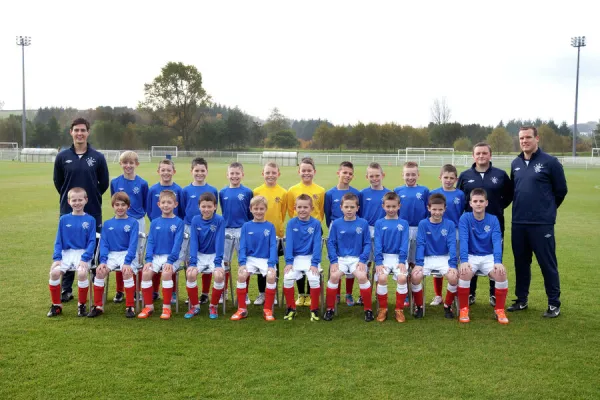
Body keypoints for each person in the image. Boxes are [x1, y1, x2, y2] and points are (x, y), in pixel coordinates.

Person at [508, 126, 567, 318]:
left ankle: (553, 303)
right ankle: (521, 299)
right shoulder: (515, 163)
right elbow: (514, 191)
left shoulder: (550, 162)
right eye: (521, 138)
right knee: (521, 263)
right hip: (518, 222)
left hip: (541, 224)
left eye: (528, 137)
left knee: (547, 263)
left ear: (537, 139)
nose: (524, 141)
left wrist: (546, 209)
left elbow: (561, 191)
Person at [53, 117, 109, 303]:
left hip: (92, 209)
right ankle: (66, 289)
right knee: (69, 245)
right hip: (68, 210)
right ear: (71, 132)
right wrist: (73, 200)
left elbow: (104, 183)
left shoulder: (98, 157)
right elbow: (58, 183)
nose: (79, 133)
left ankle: (94, 284)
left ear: (88, 132)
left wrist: (89, 197)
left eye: (83, 130)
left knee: (94, 247)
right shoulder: (62, 157)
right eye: (76, 130)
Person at [457, 142, 513, 306]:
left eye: (484, 153)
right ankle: (470, 293)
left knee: (495, 254)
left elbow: (509, 195)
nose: (481, 156)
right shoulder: (466, 175)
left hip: (494, 223)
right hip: (471, 224)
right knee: (471, 253)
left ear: (490, 155)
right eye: (478, 153)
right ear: (473, 156)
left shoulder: (500, 174)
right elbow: (460, 197)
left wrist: (497, 208)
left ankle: (494, 294)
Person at [457, 189, 509, 324]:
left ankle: (499, 310)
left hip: (488, 256)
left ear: (486, 203)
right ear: (470, 203)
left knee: (501, 274)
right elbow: (463, 240)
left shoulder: (493, 219)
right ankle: (463, 309)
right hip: (470, 255)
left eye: (481, 201)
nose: (478, 204)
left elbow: (497, 241)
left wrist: (498, 261)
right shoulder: (465, 218)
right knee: (464, 272)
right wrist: (464, 260)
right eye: (475, 201)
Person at [47, 187, 97, 317]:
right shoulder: (64, 219)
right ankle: (56, 305)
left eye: (80, 200)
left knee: (81, 274)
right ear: (69, 201)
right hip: (66, 253)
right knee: (54, 273)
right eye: (74, 200)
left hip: (83, 253)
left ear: (86, 200)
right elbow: (58, 240)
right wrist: (57, 258)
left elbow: (92, 242)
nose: (77, 203)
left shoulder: (90, 220)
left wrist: (85, 258)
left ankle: (81, 305)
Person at [89, 192, 140, 318]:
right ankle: (98, 306)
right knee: (100, 272)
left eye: (123, 205)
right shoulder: (107, 224)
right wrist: (103, 261)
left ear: (128, 206)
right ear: (113, 206)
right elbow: (104, 244)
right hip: (111, 255)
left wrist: (127, 261)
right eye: (117, 205)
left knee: (127, 272)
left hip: (128, 255)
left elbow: (133, 245)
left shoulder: (133, 223)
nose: (120, 207)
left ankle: (130, 306)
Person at [323, 193, 373, 322]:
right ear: (341, 207)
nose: (349, 209)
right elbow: (331, 243)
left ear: (357, 208)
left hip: (357, 259)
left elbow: (367, 243)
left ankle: (368, 309)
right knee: (334, 276)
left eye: (352, 207)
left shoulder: (363, 223)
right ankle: (330, 309)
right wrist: (333, 261)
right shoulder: (336, 224)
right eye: (346, 207)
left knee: (362, 276)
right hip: (341, 259)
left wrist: (363, 260)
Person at [137, 190, 184, 320]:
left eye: (169, 202)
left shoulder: (179, 222)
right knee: (146, 273)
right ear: (158, 204)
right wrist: (148, 259)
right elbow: (151, 241)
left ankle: (166, 307)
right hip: (156, 257)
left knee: (166, 273)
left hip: (171, 257)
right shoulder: (155, 222)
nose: (166, 205)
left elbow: (177, 244)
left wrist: (170, 261)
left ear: (175, 204)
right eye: (163, 202)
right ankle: (148, 306)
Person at [410, 193, 458, 319]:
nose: (437, 212)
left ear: (445, 209)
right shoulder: (423, 224)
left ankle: (447, 305)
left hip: (444, 258)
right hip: (426, 258)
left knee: (453, 278)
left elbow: (452, 245)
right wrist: (419, 263)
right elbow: (420, 244)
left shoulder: (450, 224)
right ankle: (419, 306)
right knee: (415, 277)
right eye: (434, 209)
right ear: (429, 208)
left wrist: (453, 264)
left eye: (440, 209)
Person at [230, 196, 278, 321]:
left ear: (266, 209)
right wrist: (242, 263)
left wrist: (272, 264)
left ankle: (267, 309)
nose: (258, 211)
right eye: (255, 209)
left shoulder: (270, 226)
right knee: (241, 275)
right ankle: (242, 309)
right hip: (250, 259)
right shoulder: (246, 226)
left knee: (271, 276)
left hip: (266, 259)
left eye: (261, 209)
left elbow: (273, 246)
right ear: (250, 209)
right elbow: (243, 246)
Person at [109, 150, 148, 304]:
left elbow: (145, 203)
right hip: (119, 222)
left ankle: (136, 290)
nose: (128, 165)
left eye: (131, 163)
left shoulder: (143, 183)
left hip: (137, 221)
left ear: (136, 164)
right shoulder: (115, 182)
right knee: (120, 253)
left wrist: (137, 215)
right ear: (121, 164)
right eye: (125, 162)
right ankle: (120, 291)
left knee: (137, 256)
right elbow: (114, 201)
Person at [287, 157, 325, 308]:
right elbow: (291, 209)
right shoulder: (292, 190)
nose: (306, 173)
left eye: (309, 170)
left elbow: (321, 210)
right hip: (297, 229)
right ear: (299, 171)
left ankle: (309, 294)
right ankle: (301, 293)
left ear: (314, 172)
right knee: (298, 258)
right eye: (303, 170)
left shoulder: (320, 190)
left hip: (314, 228)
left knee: (311, 260)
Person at [146, 159, 185, 302]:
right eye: (163, 170)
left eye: (169, 170)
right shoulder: (153, 190)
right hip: (157, 228)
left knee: (170, 260)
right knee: (156, 257)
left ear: (173, 172)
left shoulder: (179, 190)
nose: (166, 172)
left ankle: (172, 292)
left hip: (173, 228)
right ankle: (154, 291)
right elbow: (149, 210)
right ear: (158, 172)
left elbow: (181, 211)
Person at [181, 157, 219, 306]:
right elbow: (182, 210)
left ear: (207, 172)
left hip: (207, 228)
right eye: (196, 170)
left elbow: (214, 211)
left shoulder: (213, 190)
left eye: (202, 170)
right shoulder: (185, 190)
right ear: (191, 171)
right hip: (189, 227)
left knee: (207, 257)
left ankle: (204, 293)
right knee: (190, 260)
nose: (199, 173)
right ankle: (191, 294)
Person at [324, 161, 360, 306]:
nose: (347, 175)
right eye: (344, 172)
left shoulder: (356, 193)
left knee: (351, 257)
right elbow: (327, 214)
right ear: (338, 173)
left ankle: (349, 294)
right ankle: (337, 293)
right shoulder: (330, 193)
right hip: (336, 228)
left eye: (350, 173)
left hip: (352, 228)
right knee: (337, 261)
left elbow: (359, 213)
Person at [282, 194, 323, 321]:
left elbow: (317, 244)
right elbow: (289, 244)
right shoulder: (291, 223)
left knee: (314, 278)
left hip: (310, 258)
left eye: (305, 207)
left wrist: (315, 263)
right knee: (288, 277)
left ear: (311, 208)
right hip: (295, 258)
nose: (302, 210)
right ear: (295, 208)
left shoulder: (316, 224)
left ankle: (314, 309)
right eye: (299, 207)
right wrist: (289, 262)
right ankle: (291, 308)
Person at [184, 192, 225, 319]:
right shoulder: (195, 220)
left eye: (209, 206)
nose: (206, 209)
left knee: (218, 275)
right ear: (199, 207)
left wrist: (218, 263)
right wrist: (193, 262)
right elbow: (194, 242)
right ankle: (195, 306)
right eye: (203, 206)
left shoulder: (219, 220)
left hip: (214, 255)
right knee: (190, 273)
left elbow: (219, 241)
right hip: (200, 255)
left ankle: (213, 306)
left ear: (215, 207)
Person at [394, 161, 429, 308]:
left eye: (413, 174)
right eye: (407, 174)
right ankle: (406, 295)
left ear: (418, 174)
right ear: (402, 175)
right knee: (404, 262)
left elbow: (429, 209)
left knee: (415, 263)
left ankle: (415, 295)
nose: (410, 177)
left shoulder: (425, 190)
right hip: (403, 229)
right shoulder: (397, 190)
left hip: (419, 229)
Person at [429, 164, 465, 306]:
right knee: (438, 260)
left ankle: (453, 294)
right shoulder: (434, 193)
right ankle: (438, 296)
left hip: (454, 232)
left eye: (452, 178)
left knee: (453, 263)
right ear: (440, 178)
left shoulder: (460, 194)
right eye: (446, 177)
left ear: (456, 179)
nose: (448, 180)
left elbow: (462, 212)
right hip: (437, 232)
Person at [252, 162, 287, 306]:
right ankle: (262, 293)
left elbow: (283, 213)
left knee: (274, 265)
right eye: (268, 172)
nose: (270, 175)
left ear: (278, 174)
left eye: (273, 172)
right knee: (260, 264)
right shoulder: (256, 191)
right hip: (259, 234)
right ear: (263, 174)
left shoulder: (283, 192)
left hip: (276, 235)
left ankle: (274, 293)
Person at [219, 162, 254, 305]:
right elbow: (223, 210)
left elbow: (250, 212)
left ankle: (244, 293)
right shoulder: (222, 192)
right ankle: (223, 291)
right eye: (232, 173)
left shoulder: (247, 192)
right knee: (224, 261)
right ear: (227, 175)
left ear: (242, 175)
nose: (234, 176)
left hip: (242, 229)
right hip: (226, 230)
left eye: (237, 173)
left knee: (244, 262)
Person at [373, 192, 410, 322]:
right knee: (382, 278)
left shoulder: (404, 223)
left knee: (402, 278)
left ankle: (399, 309)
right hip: (383, 258)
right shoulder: (379, 223)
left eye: (394, 206)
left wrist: (401, 260)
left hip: (399, 257)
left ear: (399, 206)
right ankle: (383, 308)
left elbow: (405, 243)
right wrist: (378, 261)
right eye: (388, 206)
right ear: (383, 206)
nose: (391, 209)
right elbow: (377, 243)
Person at [358, 162, 391, 305]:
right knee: (366, 263)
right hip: (367, 231)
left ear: (383, 175)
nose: (375, 178)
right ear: (367, 177)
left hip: (382, 232)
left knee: (379, 262)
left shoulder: (389, 193)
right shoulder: (363, 193)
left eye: (377, 175)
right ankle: (363, 294)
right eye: (371, 176)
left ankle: (379, 293)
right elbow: (358, 213)